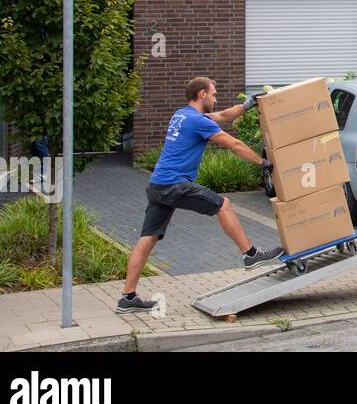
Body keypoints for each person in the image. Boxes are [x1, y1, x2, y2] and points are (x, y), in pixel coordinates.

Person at [117, 77, 279, 314]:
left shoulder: (182, 115)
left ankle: (127, 298)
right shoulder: (196, 121)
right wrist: (263, 162)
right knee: (223, 204)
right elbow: (233, 143)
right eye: (213, 94)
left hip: (157, 186)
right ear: (202, 94)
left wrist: (248, 105)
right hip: (174, 185)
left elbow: (224, 116)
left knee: (147, 239)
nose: (215, 98)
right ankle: (251, 254)